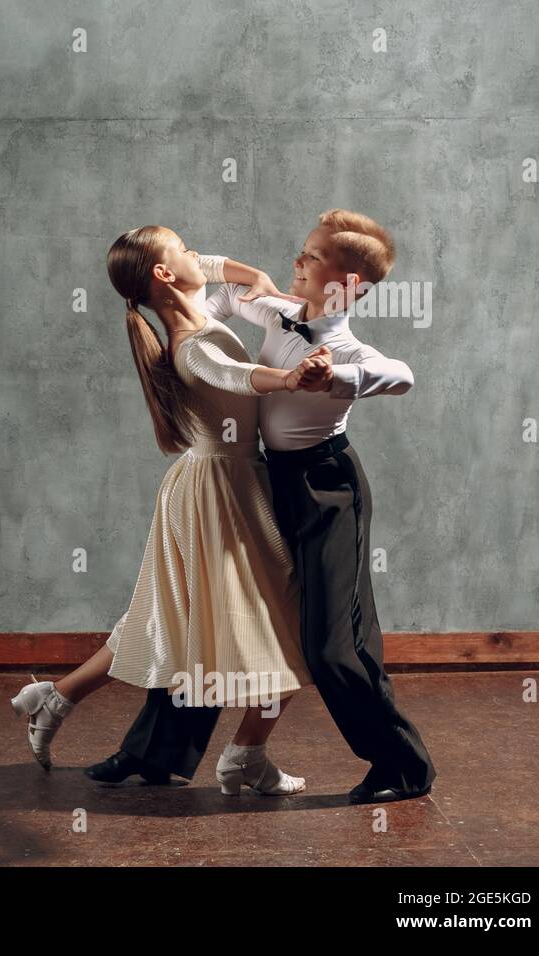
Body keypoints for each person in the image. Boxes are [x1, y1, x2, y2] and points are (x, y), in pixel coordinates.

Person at [91, 210, 437, 805]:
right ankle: (158, 753)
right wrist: (243, 273)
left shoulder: (347, 345)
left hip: (327, 490)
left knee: (334, 643)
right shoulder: (275, 310)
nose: (297, 261)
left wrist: (337, 379)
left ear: (347, 285)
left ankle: (401, 767)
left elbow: (401, 375)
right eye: (301, 250)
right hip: (263, 481)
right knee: (213, 613)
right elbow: (194, 278)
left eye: (311, 256)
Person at [10, 226, 328, 795]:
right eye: (179, 248)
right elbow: (231, 375)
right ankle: (247, 755)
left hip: (214, 482)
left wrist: (252, 276)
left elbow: (205, 264)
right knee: (283, 619)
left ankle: (56, 697)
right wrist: (289, 376)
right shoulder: (189, 342)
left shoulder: (191, 305)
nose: (193, 254)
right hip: (221, 491)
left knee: (167, 619)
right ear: (162, 275)